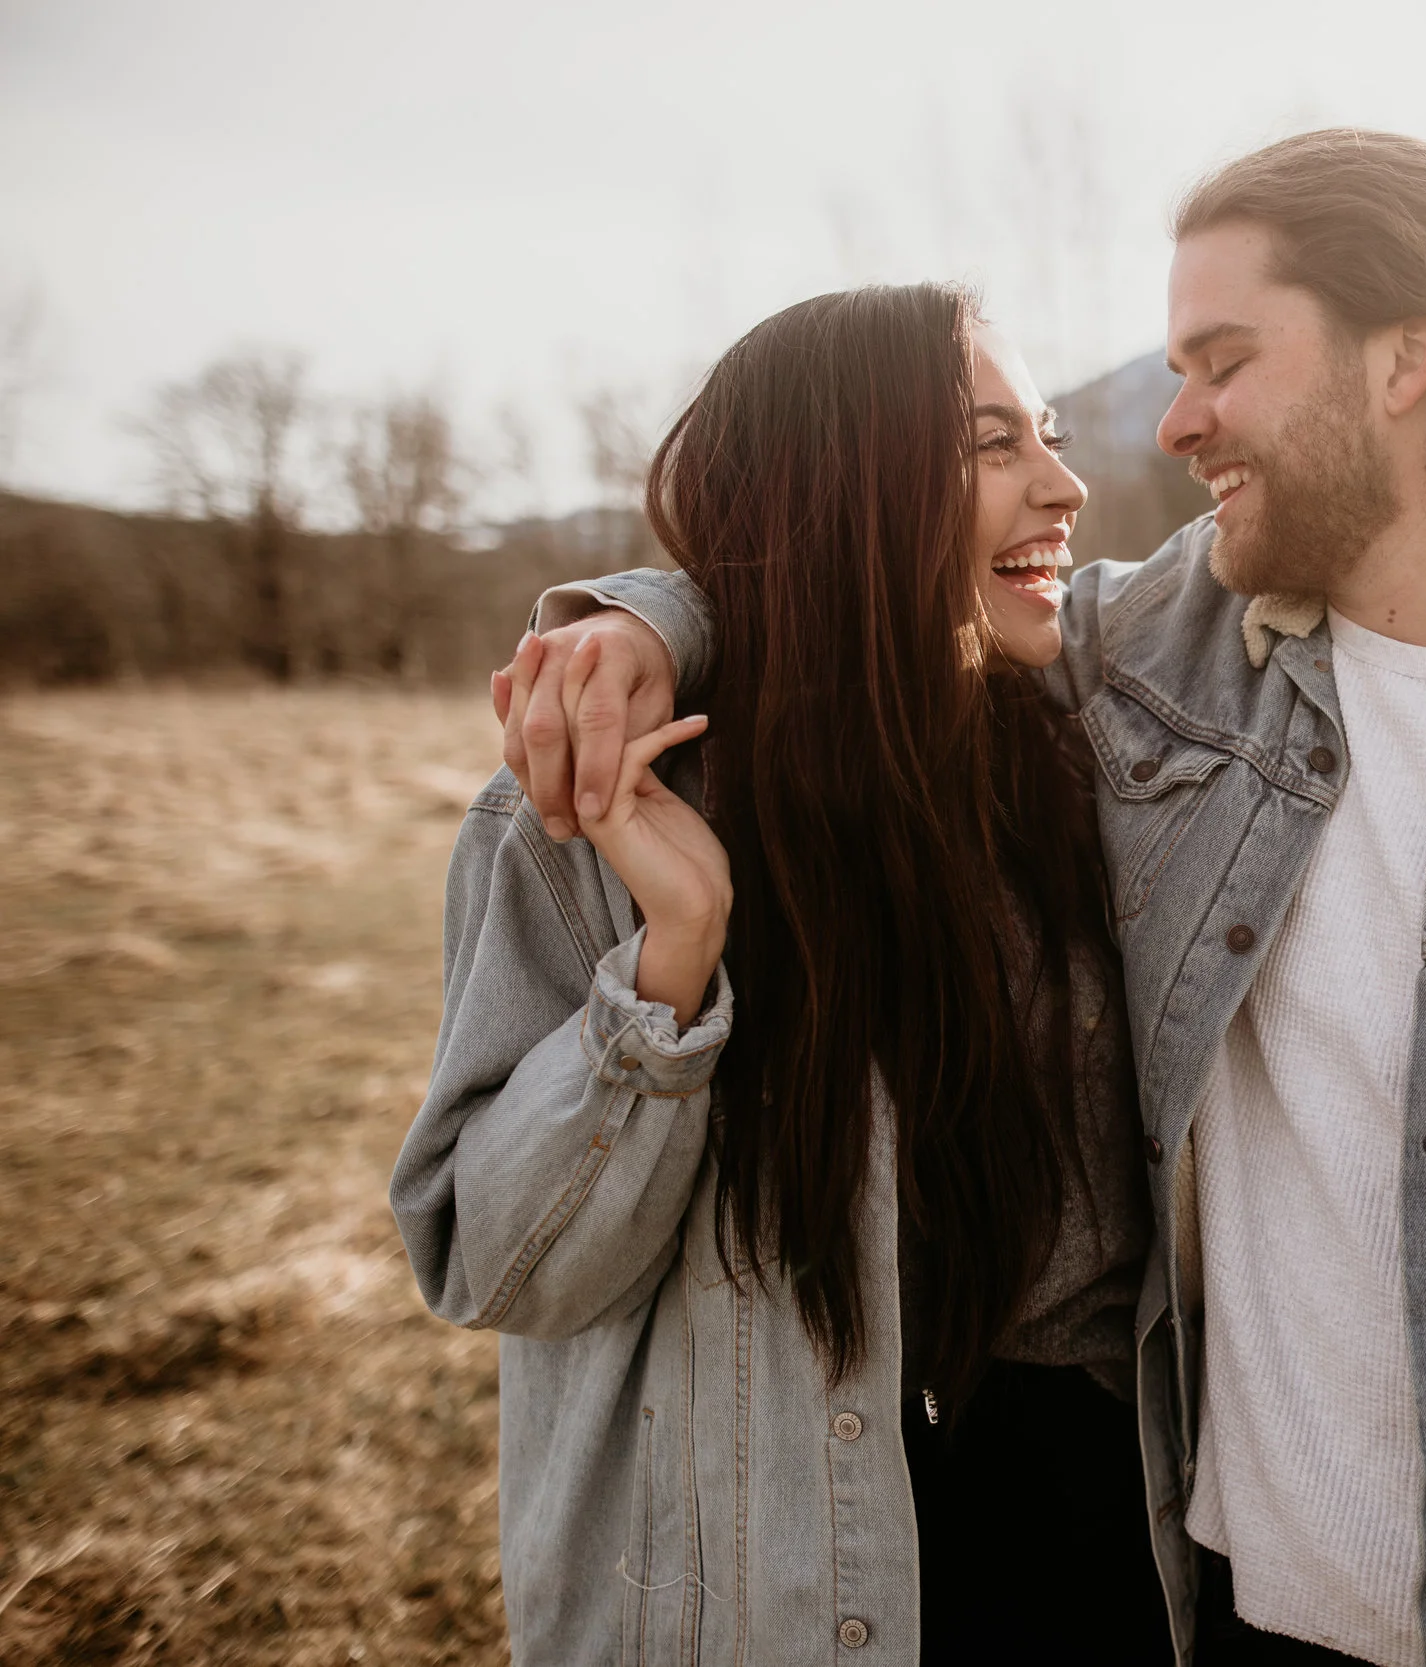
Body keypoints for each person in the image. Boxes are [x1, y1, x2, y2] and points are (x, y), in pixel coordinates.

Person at [509, 131, 1426, 1667]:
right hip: (1228, 1615)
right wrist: (653, 623)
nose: (1171, 421)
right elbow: (884, 586)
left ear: (1410, 354)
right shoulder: (1170, 661)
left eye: (1223, 360)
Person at [391, 284, 1172, 1666]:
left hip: (1096, 1554)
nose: (1063, 484)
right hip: (772, 1585)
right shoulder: (585, 810)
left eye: (1044, 434)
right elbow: (492, 1260)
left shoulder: (1090, 744)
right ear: (847, 487)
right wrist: (671, 966)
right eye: (990, 446)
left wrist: (650, 610)